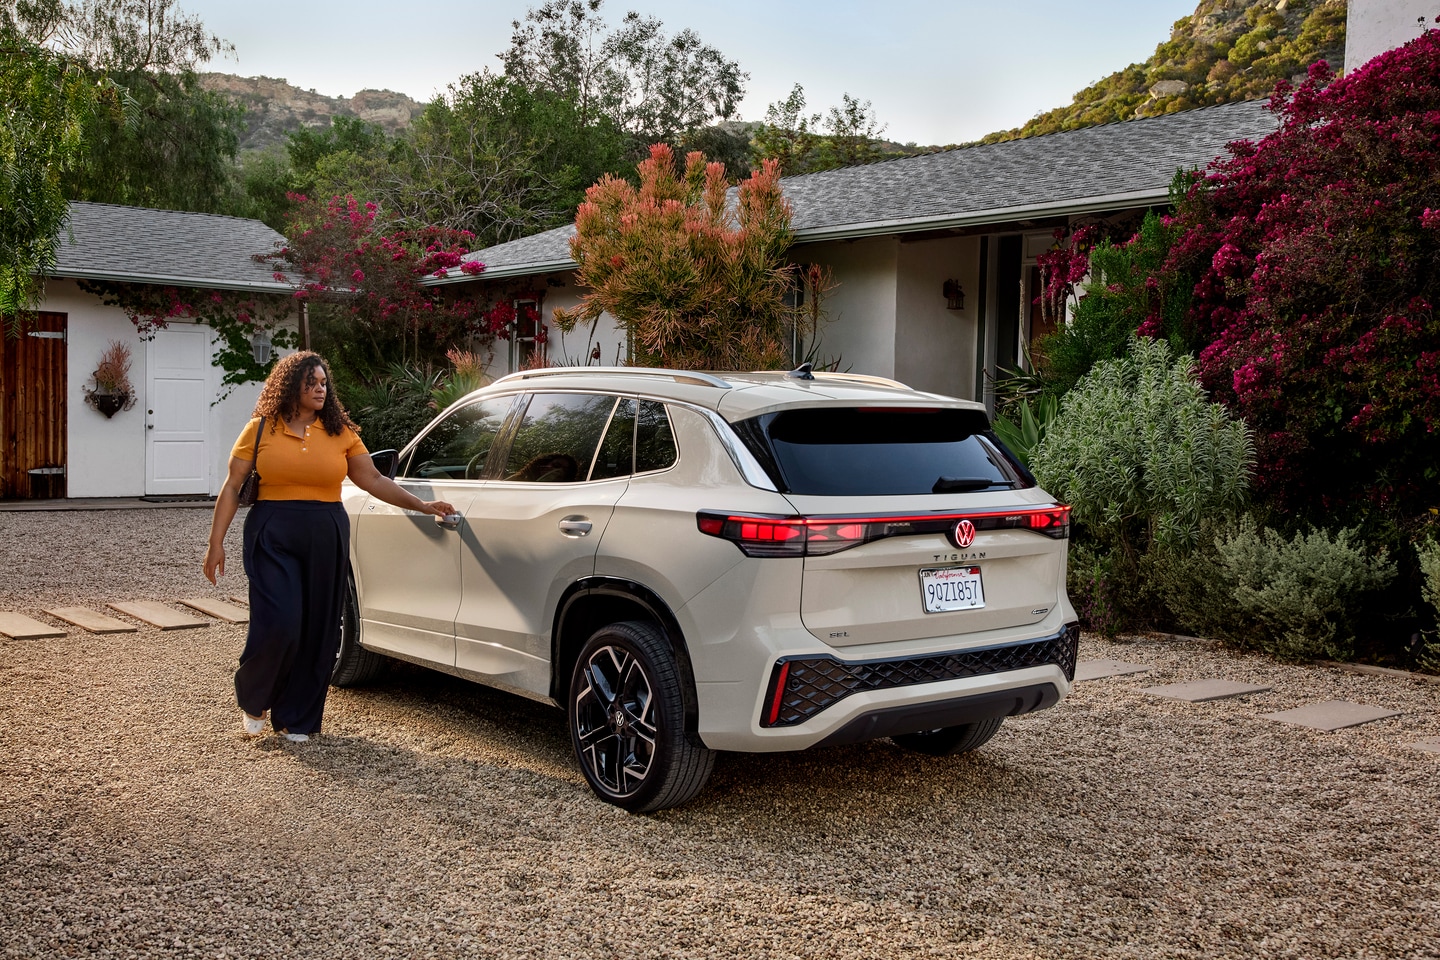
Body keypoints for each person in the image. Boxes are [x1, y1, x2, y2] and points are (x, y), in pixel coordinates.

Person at [203, 351, 454, 742]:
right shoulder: (260, 429)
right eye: (312, 383)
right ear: (291, 386)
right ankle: (255, 697)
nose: (321, 389)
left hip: (326, 531)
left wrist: (422, 506)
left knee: (319, 627)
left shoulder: (341, 432)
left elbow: (372, 479)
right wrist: (215, 543)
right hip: (273, 532)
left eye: (324, 383)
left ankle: (296, 717)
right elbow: (233, 486)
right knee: (280, 623)